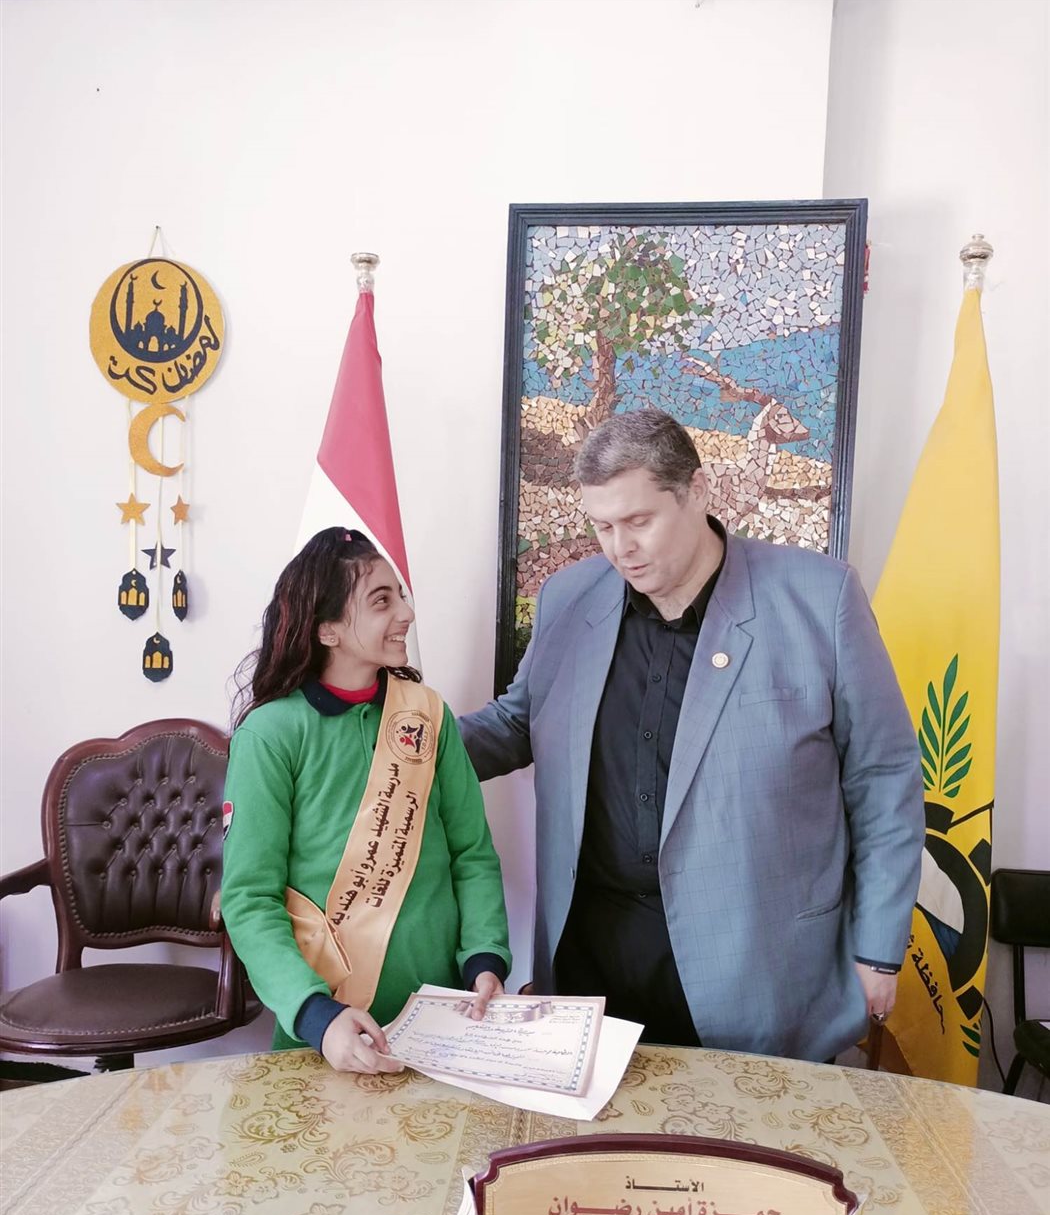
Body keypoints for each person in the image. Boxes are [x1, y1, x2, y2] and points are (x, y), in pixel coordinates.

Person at [460, 409, 924, 1063]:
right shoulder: (568, 597)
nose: (620, 548)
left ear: (697, 492)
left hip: (756, 965)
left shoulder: (821, 598)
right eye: (602, 527)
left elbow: (883, 779)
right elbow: (515, 724)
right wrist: (397, 740)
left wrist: (878, 950)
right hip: (591, 959)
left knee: (753, 1132)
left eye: (639, 521)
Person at [223, 527, 511, 1074]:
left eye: (400, 595)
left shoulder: (427, 715)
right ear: (327, 628)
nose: (407, 613)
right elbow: (250, 899)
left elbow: (471, 854)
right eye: (382, 601)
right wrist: (315, 1015)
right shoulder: (270, 735)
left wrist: (485, 958)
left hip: (445, 1020)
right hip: (326, 1031)